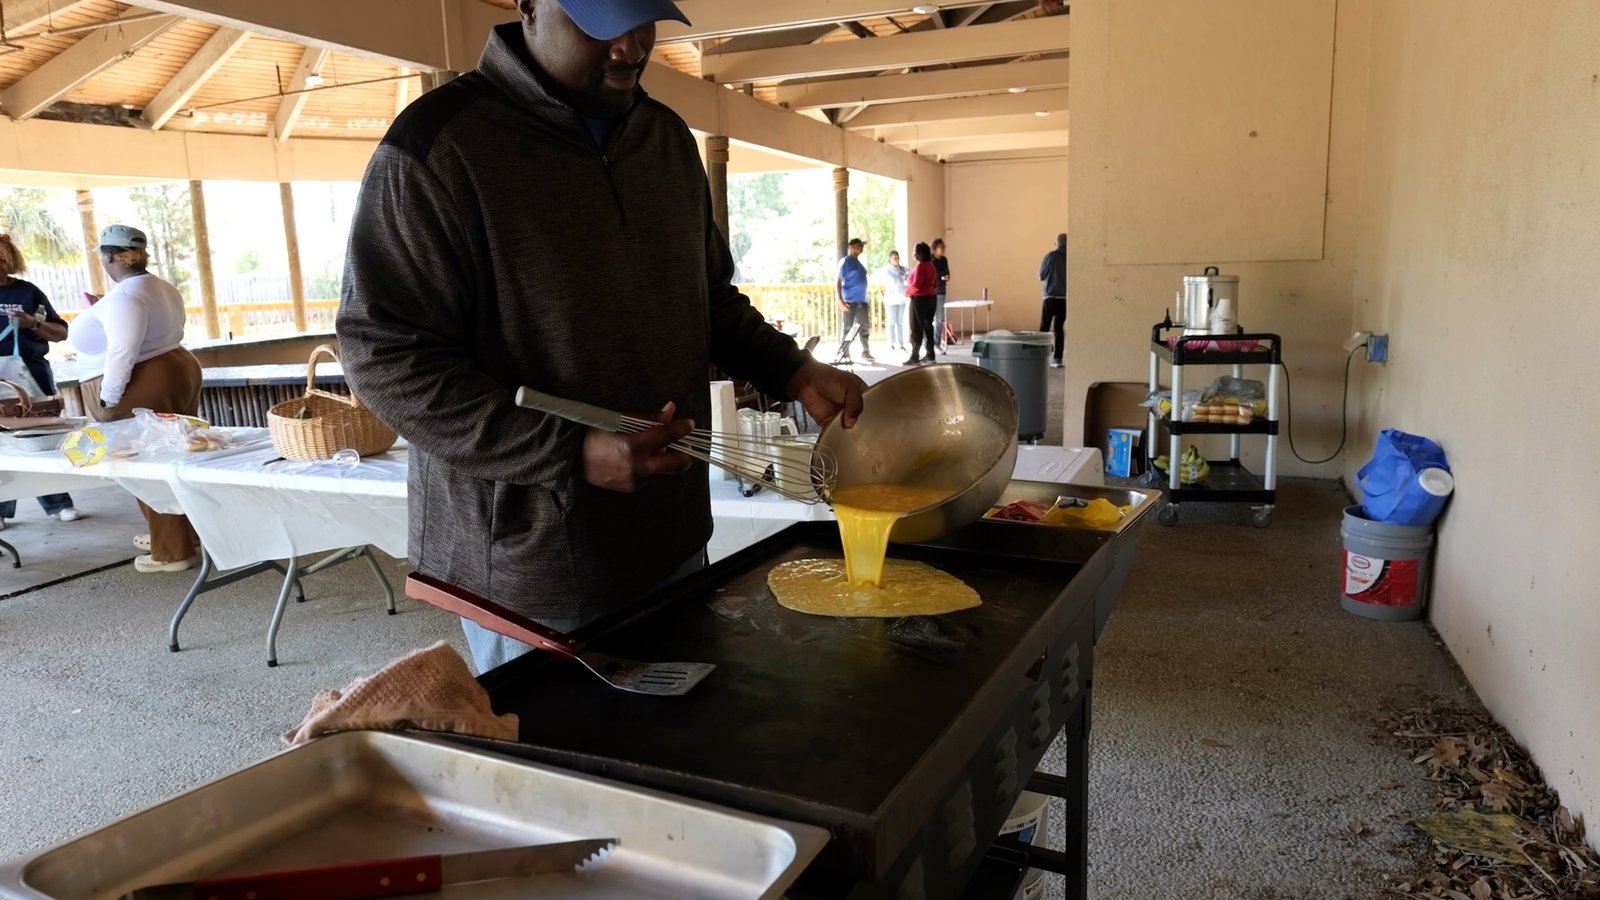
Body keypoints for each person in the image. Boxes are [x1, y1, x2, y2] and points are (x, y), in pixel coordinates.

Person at [336, 0, 866, 674]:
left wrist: (792, 369)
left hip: (672, 536)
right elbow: (384, 357)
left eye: (643, 18)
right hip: (531, 570)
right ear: (529, 7)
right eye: (600, 22)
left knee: (686, 731)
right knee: (559, 743)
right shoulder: (437, 149)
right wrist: (567, 453)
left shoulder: (665, 139)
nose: (630, 47)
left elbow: (705, 299)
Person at [73, 225, 203, 572]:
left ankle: (171, 552)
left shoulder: (126, 296)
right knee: (171, 456)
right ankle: (180, 535)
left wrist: (108, 398)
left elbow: (122, 350)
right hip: (175, 367)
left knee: (147, 464)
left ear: (109, 257)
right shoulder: (159, 286)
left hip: (148, 377)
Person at [0, 233, 81, 529]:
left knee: (39, 439)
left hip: (31, 376)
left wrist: (33, 323)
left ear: (12, 260)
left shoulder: (28, 292)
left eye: (3, 258)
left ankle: (59, 503)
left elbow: (61, 333)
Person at [835, 237, 872, 363]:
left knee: (864, 328)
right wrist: (840, 300)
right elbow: (838, 281)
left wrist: (866, 301)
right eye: (858, 245)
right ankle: (844, 353)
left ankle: (866, 352)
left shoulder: (859, 263)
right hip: (849, 301)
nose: (861, 247)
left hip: (862, 301)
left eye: (861, 245)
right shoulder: (845, 262)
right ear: (851, 247)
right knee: (848, 328)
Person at [903, 242, 939, 365]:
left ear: (918, 253)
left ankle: (914, 356)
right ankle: (930, 354)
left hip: (920, 299)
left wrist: (907, 292)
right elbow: (935, 283)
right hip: (932, 297)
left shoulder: (920, 266)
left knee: (916, 327)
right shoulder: (931, 265)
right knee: (928, 326)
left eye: (914, 250)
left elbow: (917, 285)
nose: (913, 253)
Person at [1039, 232, 1067, 368]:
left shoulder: (1051, 256)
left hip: (1050, 297)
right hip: (1064, 298)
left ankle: (1039, 356)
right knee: (1059, 329)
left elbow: (1041, 276)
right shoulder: (1071, 258)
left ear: (1056, 243)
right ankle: (1058, 359)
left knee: (1044, 327)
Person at [880, 250, 909, 353]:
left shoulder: (903, 269)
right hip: (891, 299)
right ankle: (891, 343)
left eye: (898, 258)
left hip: (902, 298)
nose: (897, 260)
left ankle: (901, 344)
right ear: (890, 259)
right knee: (892, 321)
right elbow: (889, 282)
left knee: (900, 322)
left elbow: (909, 279)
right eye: (894, 258)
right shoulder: (887, 270)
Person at [931, 237, 951, 349]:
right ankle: (928, 342)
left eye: (943, 247)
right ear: (934, 248)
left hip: (941, 291)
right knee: (929, 318)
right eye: (940, 247)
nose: (942, 249)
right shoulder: (930, 260)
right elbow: (931, 275)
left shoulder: (944, 260)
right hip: (931, 292)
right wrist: (940, 277)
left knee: (939, 319)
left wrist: (946, 277)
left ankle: (936, 343)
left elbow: (947, 273)